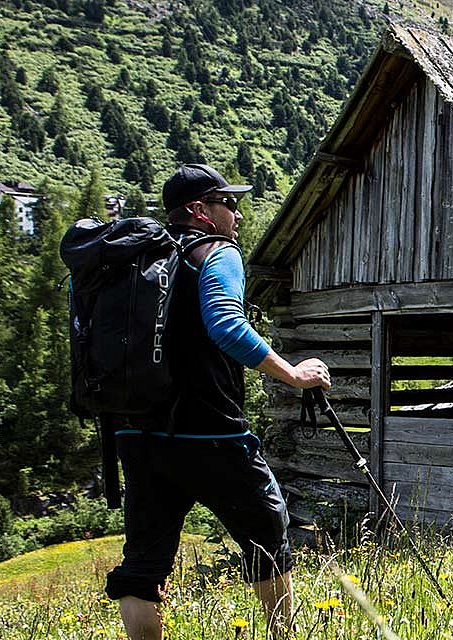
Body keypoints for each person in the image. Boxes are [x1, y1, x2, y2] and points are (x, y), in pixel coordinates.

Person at [102, 164, 331, 640]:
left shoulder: (130, 263)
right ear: (198, 211)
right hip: (211, 432)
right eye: (228, 203)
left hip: (134, 432)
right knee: (268, 537)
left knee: (142, 562)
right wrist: (293, 374)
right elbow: (225, 324)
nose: (237, 214)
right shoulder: (216, 253)